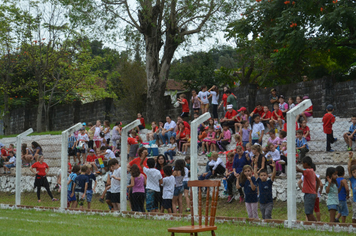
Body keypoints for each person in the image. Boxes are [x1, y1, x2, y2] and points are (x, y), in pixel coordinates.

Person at [296, 156, 320, 221]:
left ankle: (315, 225)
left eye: (303, 163)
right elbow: (318, 181)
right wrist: (316, 190)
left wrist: (293, 163)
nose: (302, 165)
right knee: (309, 212)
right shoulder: (312, 171)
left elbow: (298, 170)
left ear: (306, 164)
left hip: (309, 194)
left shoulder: (308, 171)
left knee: (309, 213)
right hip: (312, 193)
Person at [348, 152, 356, 223]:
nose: (355, 173)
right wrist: (350, 158)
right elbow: (349, 168)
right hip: (354, 198)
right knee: (355, 213)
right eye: (353, 172)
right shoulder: (353, 180)